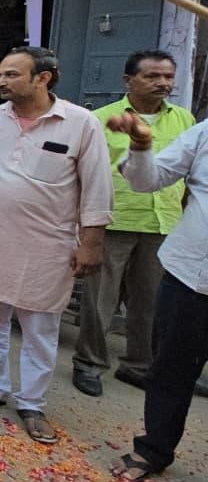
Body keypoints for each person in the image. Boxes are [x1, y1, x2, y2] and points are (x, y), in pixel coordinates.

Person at [0, 47, 111, 445]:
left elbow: (97, 187)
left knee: (39, 327)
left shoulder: (81, 123)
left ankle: (32, 402)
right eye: (1, 74)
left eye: (12, 75)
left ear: (44, 78)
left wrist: (91, 243)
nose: (0, 82)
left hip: (46, 245)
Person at [73, 50, 195, 397]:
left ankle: (138, 365)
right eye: (152, 76)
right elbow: (83, 173)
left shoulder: (184, 120)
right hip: (114, 219)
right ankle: (89, 363)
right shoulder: (99, 119)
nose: (162, 83)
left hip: (163, 223)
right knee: (100, 300)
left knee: (151, 301)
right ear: (128, 80)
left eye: (168, 77)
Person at [105, 111, 208, 482]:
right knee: (170, 370)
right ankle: (154, 450)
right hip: (189, 276)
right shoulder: (204, 133)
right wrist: (141, 143)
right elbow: (145, 180)